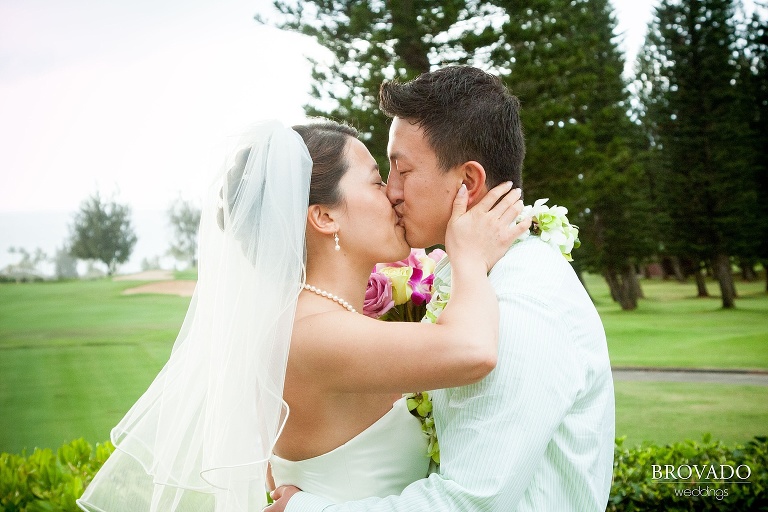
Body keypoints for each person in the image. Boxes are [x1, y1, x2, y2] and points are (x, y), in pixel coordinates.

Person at [76, 118, 530, 512]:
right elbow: (473, 350)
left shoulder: (303, 323)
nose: (394, 193)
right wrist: (466, 255)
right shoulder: (313, 333)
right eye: (375, 180)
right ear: (324, 217)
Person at [268, 66, 615, 511]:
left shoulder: (519, 300)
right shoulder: (468, 275)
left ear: (468, 182)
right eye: (379, 177)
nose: (392, 192)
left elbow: (473, 501)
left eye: (399, 171)